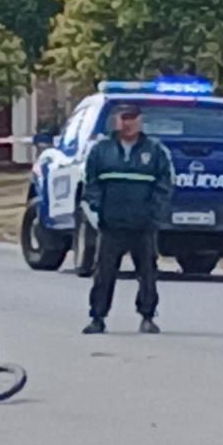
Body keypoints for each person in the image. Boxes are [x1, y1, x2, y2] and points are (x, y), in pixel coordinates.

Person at [81, 103, 173, 335]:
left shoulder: (155, 151)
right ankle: (98, 318)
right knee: (104, 274)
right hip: (111, 225)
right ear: (116, 121)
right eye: (123, 118)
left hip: (143, 225)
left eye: (132, 118)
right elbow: (91, 183)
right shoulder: (101, 150)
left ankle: (147, 317)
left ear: (140, 121)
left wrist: (154, 213)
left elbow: (164, 184)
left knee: (147, 273)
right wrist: (97, 209)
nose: (127, 123)